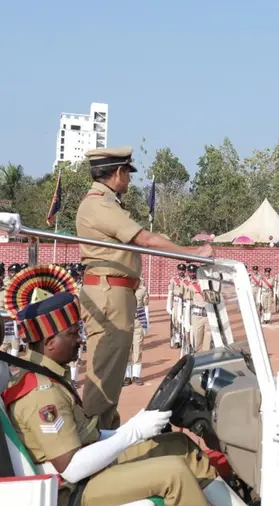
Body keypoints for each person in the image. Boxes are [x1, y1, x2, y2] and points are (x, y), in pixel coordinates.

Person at [1, 264, 240, 506]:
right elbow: (72, 468)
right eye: (73, 334)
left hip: (85, 470)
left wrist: (131, 428)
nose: (80, 340)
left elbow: (83, 435)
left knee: (181, 445)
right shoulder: (42, 393)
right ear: (50, 342)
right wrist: (133, 432)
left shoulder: (47, 374)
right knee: (173, 473)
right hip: (72, 489)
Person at [76, 146, 212, 430]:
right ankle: (94, 438)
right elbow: (145, 239)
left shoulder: (108, 202)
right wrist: (192, 253)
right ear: (118, 172)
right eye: (127, 173)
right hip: (108, 293)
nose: (128, 180)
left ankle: (105, 431)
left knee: (111, 371)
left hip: (115, 292)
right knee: (105, 373)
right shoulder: (99, 203)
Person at [124, 277, 149, 387]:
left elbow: (146, 307)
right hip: (126, 323)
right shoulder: (124, 289)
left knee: (137, 348)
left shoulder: (142, 290)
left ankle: (136, 375)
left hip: (138, 322)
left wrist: (146, 324)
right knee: (126, 349)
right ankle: (127, 376)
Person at [165, 264, 187, 349]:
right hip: (176, 302)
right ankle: (176, 340)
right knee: (175, 322)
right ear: (177, 270)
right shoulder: (174, 280)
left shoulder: (187, 281)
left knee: (184, 321)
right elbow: (170, 293)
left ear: (185, 271)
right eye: (180, 270)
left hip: (184, 303)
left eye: (183, 270)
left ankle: (183, 340)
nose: (181, 272)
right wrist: (169, 305)